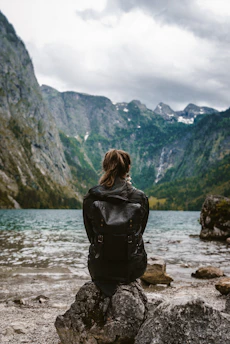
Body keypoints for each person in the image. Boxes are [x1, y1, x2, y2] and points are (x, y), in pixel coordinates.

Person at [83, 149, 149, 297]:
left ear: (105, 167)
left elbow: (91, 235)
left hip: (99, 269)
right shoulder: (139, 198)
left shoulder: (91, 197)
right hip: (131, 268)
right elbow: (140, 232)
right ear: (128, 169)